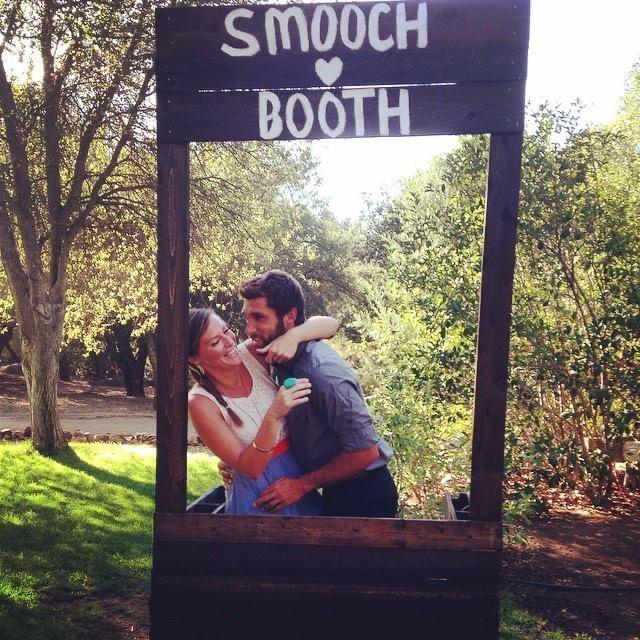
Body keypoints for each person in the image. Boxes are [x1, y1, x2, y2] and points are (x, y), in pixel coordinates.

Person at [238, 270, 398, 518]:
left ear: (290, 316)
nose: (250, 329)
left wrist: (301, 485)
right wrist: (238, 462)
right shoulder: (281, 356)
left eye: (259, 317)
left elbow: (365, 453)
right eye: (247, 318)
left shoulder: (322, 372)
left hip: (365, 496)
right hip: (336, 488)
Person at [187, 308, 338, 515]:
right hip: (259, 497)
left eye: (226, 330)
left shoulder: (253, 354)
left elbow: (331, 325)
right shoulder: (200, 402)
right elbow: (250, 468)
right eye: (215, 342)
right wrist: (274, 414)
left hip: (297, 482)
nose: (230, 341)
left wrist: (294, 335)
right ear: (194, 358)